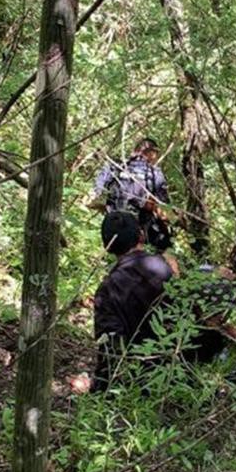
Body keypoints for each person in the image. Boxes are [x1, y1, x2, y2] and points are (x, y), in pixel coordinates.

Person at [91, 210, 174, 392]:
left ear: (107, 245)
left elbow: (110, 350)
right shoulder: (168, 270)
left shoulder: (108, 289)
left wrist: (97, 390)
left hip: (139, 384)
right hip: (175, 374)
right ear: (141, 235)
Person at [91, 136, 172, 252]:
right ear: (151, 153)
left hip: (113, 228)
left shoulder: (114, 167)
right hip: (139, 231)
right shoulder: (154, 174)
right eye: (156, 154)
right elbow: (162, 209)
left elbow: (92, 196)